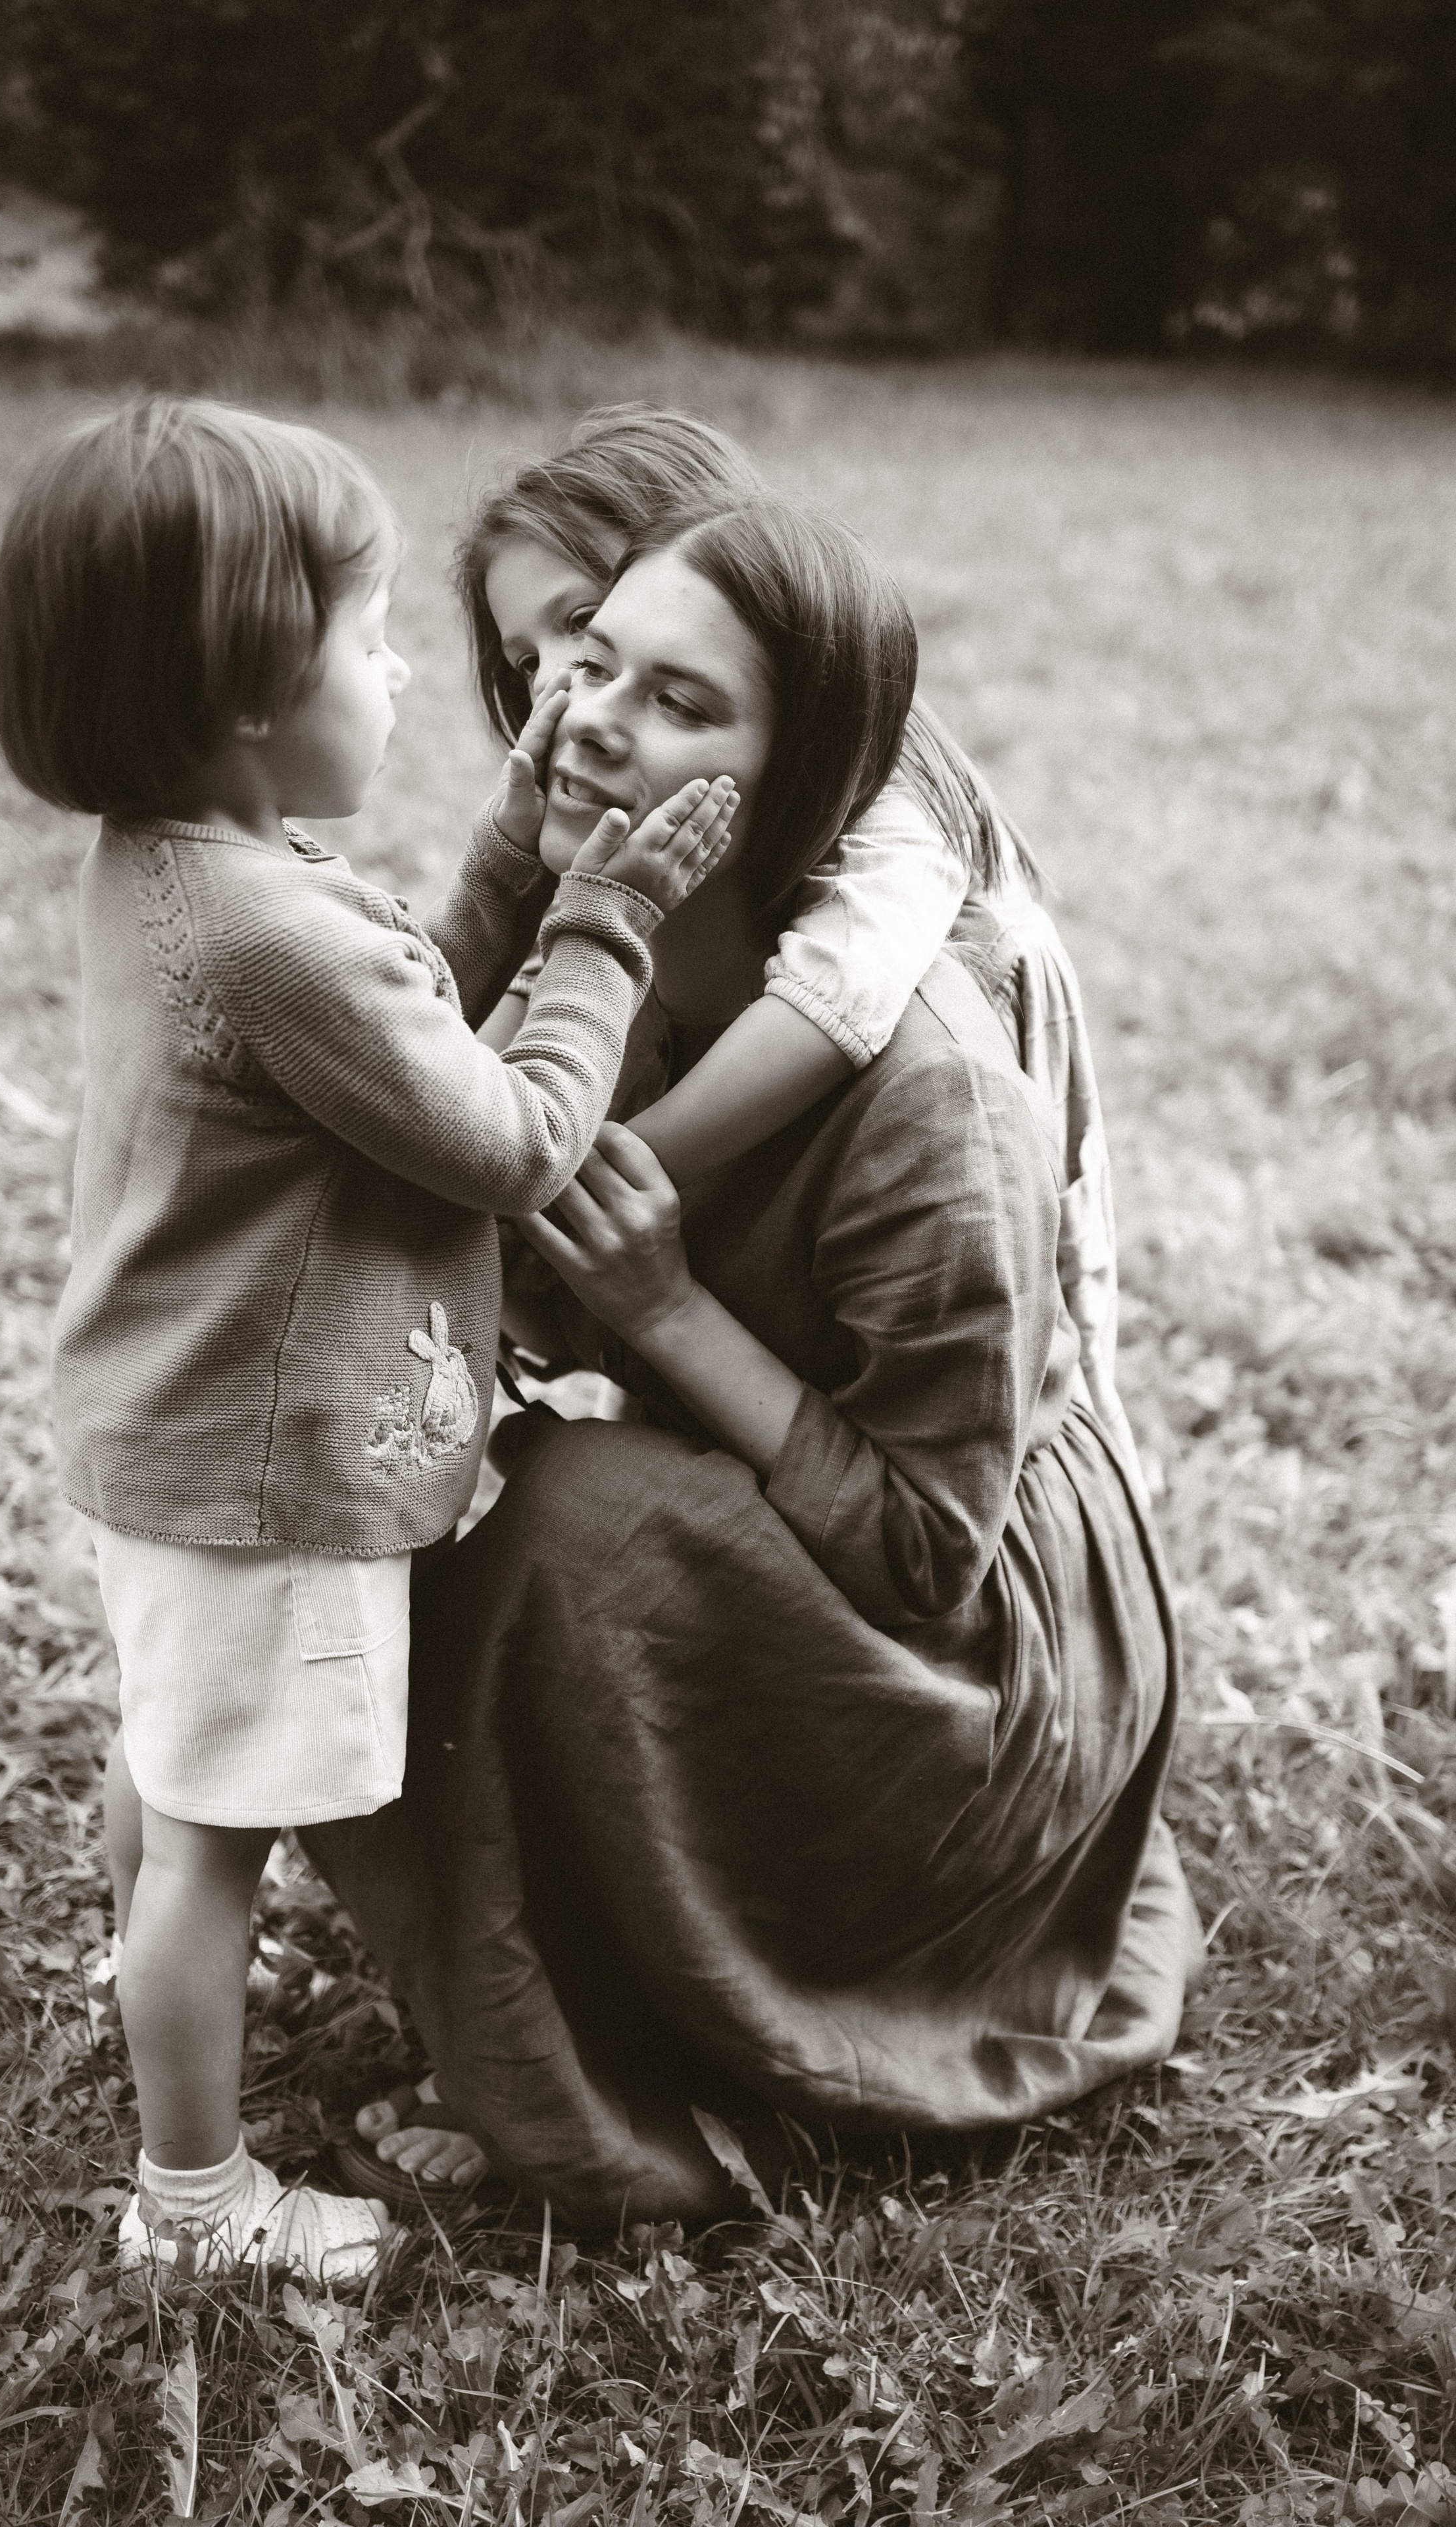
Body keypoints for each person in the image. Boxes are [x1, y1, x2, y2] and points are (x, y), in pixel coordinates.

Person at [318, 492, 1200, 2225]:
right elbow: (437, 1188)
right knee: (400, 1476)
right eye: (587, 665)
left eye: (682, 702)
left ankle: (644, 2058)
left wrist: (659, 1313)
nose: (587, 717)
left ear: (801, 785)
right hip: (795, 1520)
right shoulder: (619, 949)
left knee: (582, 1527)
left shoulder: (934, 1100)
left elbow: (928, 1553)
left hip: (984, 1656)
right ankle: (551, 1969)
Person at [0, 397, 736, 2279]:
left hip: (175, 1440)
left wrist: (520, 826)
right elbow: (505, 1132)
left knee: (171, 1778)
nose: (412, 678)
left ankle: (159, 2005)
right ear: (249, 683)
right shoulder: (270, 936)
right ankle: (197, 2200)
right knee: (214, 1849)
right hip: (266, 1479)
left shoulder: (191, 870)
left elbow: (417, 983)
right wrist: (615, 913)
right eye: (377, 637)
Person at [455, 405, 1141, 1485]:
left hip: (981, 1054)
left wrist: (594, 1175)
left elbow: (837, 1005)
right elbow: (531, 984)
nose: (552, 685)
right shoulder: (638, 818)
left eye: (577, 620)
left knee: (1047, 1322)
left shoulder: (893, 831)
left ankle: (1093, 1482)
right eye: (545, 655)